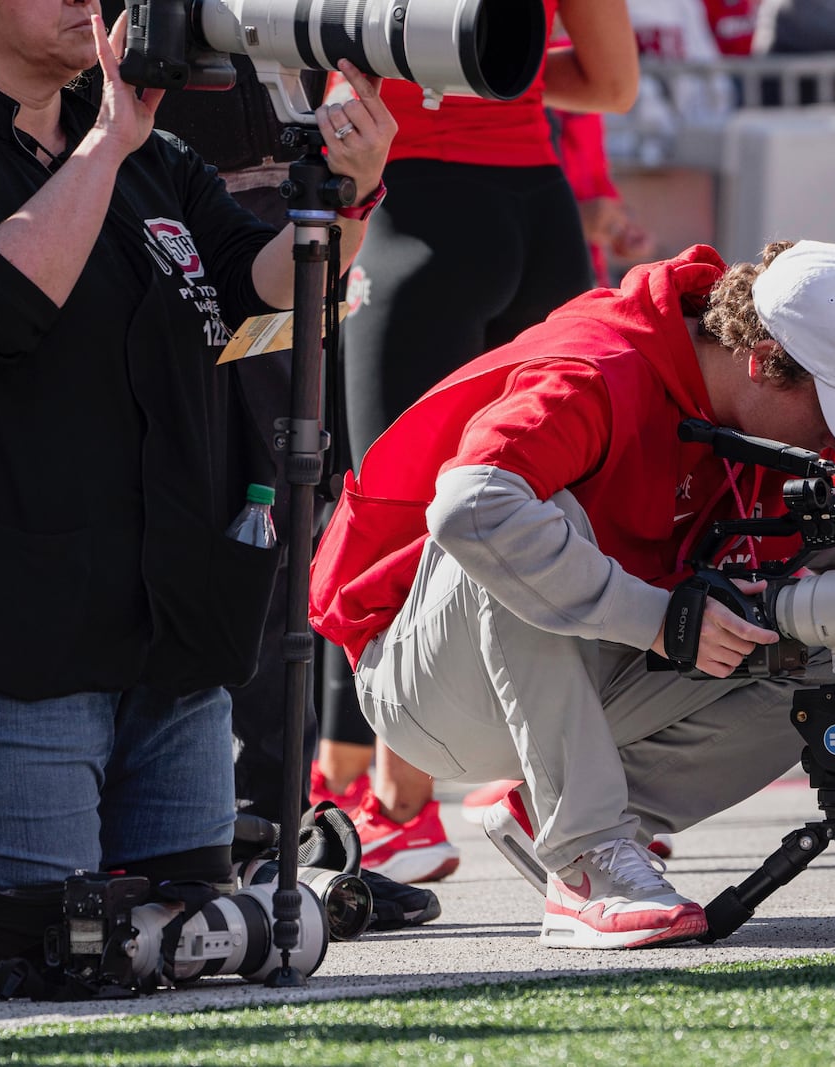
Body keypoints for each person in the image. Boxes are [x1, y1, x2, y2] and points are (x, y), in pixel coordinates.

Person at [0, 0, 391, 993]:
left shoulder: (154, 155)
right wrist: (103, 148)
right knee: (35, 945)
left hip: (169, 625)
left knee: (179, 932)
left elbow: (266, 290)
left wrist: (347, 193)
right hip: (11, 628)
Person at [309, 239, 835, 948]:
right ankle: (586, 860)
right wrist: (660, 618)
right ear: (761, 359)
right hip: (425, 686)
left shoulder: (779, 407)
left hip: (580, 667)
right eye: (831, 408)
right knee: (527, 516)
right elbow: (471, 511)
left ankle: (551, 813)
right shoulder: (599, 365)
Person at [310, 0, 640, 885]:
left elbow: (322, 66)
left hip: (416, 211)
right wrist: (507, 75)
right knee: (549, 502)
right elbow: (612, 84)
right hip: (540, 213)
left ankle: (398, 802)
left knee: (386, 507)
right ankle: (573, 787)